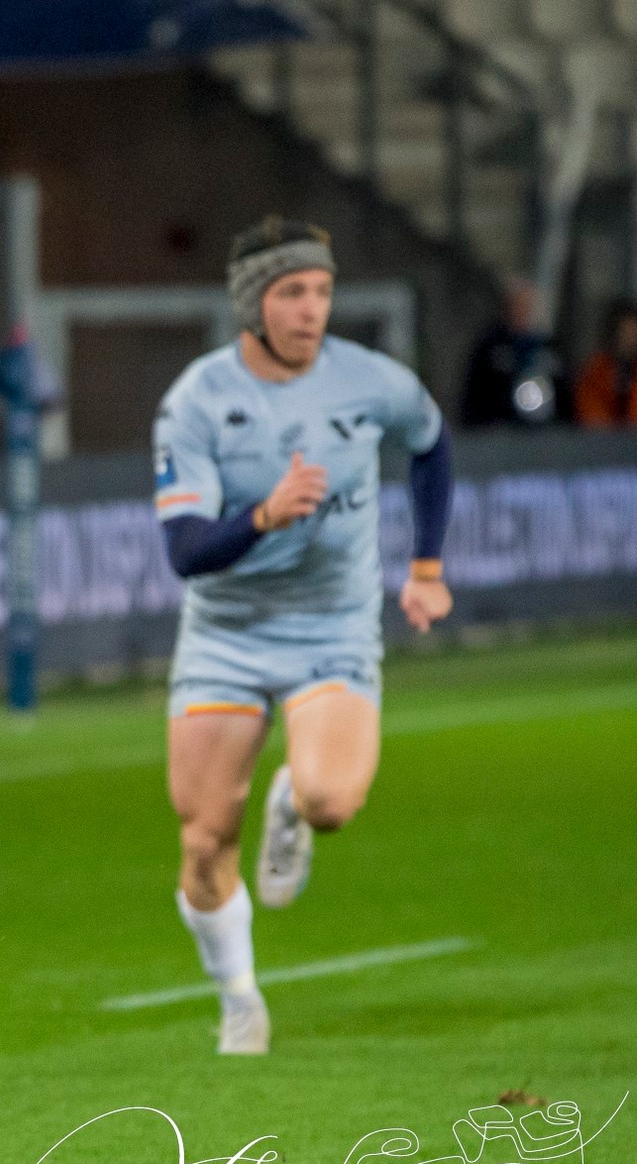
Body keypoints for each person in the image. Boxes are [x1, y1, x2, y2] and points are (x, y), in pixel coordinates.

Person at [154, 217, 453, 1056]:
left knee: (331, 801)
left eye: (321, 291)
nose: (312, 309)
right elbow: (184, 553)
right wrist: (263, 515)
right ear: (253, 303)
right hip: (227, 632)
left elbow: (431, 446)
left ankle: (290, 795)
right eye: (292, 293)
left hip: (332, 625)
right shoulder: (199, 402)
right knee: (205, 835)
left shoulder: (370, 381)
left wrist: (426, 566)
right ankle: (241, 998)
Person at [460, 277, 565, 426]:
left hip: (546, 437)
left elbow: (565, 396)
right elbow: (473, 397)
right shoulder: (490, 350)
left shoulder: (550, 349)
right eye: (517, 307)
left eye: (527, 307)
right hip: (498, 434)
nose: (522, 313)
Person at [573, 299, 637, 428]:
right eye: (623, 332)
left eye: (633, 333)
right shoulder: (596, 370)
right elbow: (590, 414)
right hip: (603, 443)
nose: (628, 340)